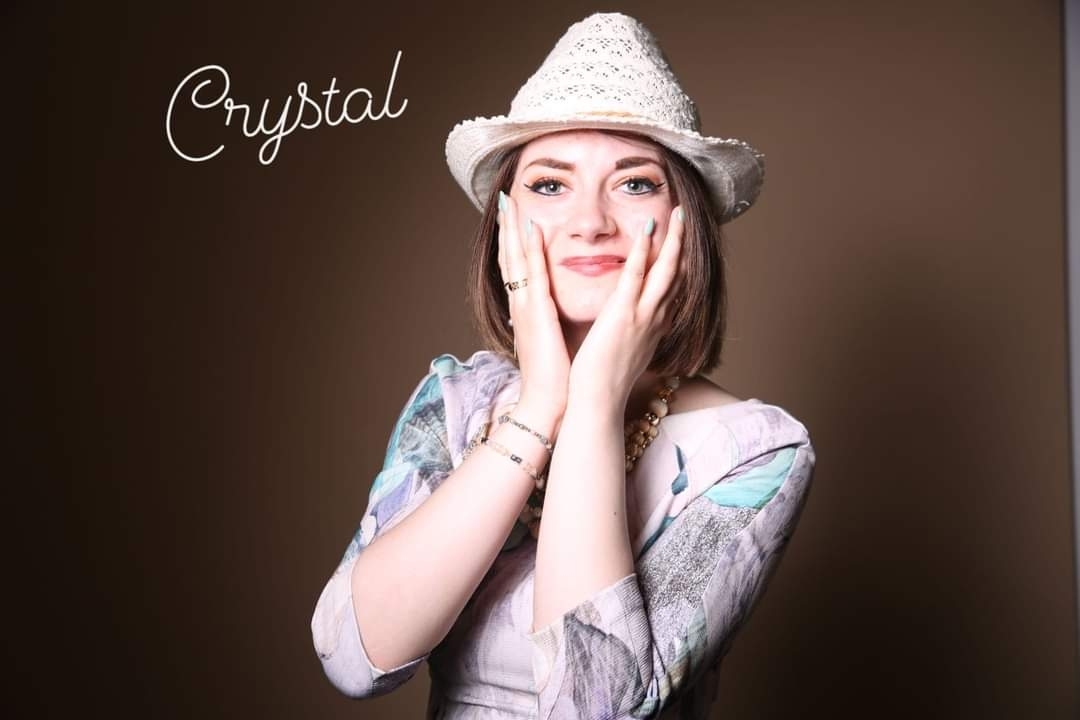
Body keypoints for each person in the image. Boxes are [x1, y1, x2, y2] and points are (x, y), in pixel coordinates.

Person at [311, 12, 815, 719]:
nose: (590, 222)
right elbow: (353, 657)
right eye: (550, 185)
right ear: (506, 222)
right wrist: (542, 401)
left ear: (685, 223)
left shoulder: (755, 452)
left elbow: (591, 707)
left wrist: (596, 400)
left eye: (635, 184)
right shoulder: (457, 400)